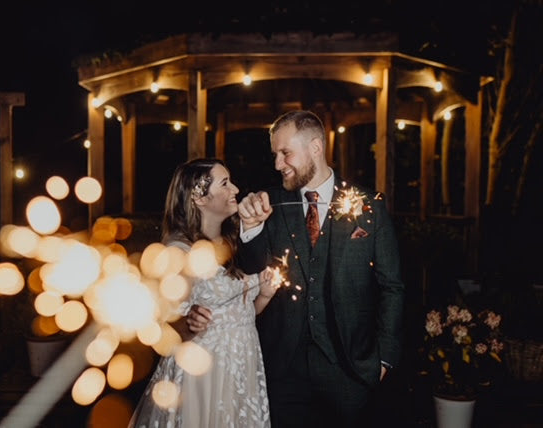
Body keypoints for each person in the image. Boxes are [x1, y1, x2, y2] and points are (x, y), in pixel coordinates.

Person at [237, 110, 405, 427]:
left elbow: (392, 286)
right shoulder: (267, 205)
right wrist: (249, 229)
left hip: (351, 371)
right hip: (283, 372)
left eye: (285, 153)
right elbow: (249, 280)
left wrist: (384, 359)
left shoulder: (368, 205)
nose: (277, 164)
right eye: (275, 154)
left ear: (315, 147)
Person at [128, 158, 276, 428]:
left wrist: (263, 295)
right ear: (199, 197)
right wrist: (187, 323)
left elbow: (239, 316)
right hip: (203, 374)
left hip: (242, 369)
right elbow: (160, 324)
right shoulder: (178, 252)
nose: (235, 189)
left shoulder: (234, 244)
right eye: (225, 183)